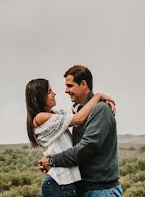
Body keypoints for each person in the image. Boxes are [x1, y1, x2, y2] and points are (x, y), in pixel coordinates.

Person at [38, 65, 121, 197]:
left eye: (70, 86)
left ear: (83, 84)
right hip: (85, 189)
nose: (66, 91)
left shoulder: (100, 110)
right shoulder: (80, 109)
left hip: (101, 191)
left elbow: (87, 148)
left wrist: (53, 160)